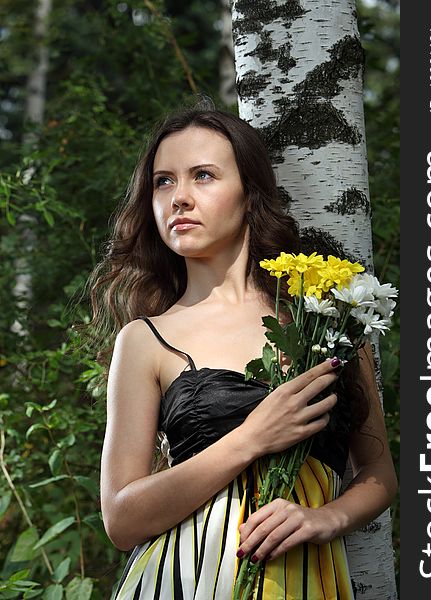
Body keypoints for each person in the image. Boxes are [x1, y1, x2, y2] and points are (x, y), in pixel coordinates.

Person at [94, 106, 397, 599]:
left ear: (250, 194)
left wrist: (325, 518)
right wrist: (250, 439)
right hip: (183, 580)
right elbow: (121, 520)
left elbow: (379, 470)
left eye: (203, 176)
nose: (180, 199)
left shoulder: (328, 317)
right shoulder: (146, 339)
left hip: (307, 581)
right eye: (163, 182)